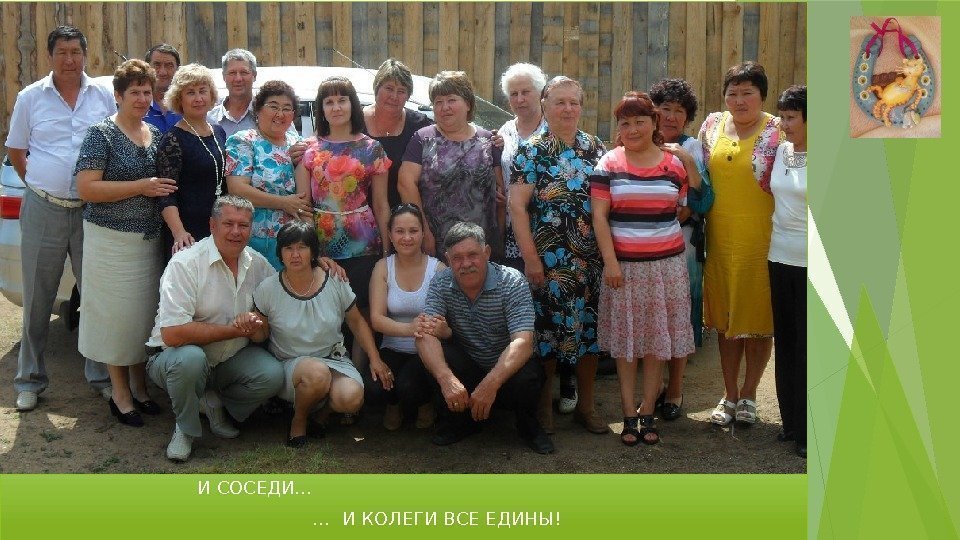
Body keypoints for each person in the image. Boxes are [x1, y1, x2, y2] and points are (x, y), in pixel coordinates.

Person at [6, 25, 115, 412]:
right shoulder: (30, 97)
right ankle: (29, 380)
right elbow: (17, 150)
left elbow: (116, 141)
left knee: (96, 297)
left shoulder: (103, 95)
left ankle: (101, 376)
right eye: (62, 53)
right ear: (50, 57)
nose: (70, 60)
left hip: (92, 212)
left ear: (85, 55)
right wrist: (41, 183)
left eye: (76, 52)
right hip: (44, 209)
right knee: (38, 298)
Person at [591, 91, 698, 445]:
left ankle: (648, 410)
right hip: (623, 270)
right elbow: (599, 218)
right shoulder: (608, 163)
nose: (633, 129)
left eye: (640, 121)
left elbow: (685, 207)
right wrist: (611, 263)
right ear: (618, 128)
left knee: (655, 343)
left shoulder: (674, 164)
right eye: (626, 123)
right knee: (626, 346)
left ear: (654, 123)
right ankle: (628, 413)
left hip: (667, 270)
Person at [145, 196, 283, 461]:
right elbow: (172, 334)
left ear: (251, 229)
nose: (236, 231)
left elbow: (271, 315)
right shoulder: (185, 263)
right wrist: (236, 330)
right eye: (228, 223)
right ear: (212, 225)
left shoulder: (259, 265)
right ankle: (185, 428)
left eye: (243, 225)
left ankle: (213, 404)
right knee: (190, 359)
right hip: (175, 358)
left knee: (272, 374)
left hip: (228, 359)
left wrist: (256, 324)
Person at [74, 59, 172, 427]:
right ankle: (121, 394)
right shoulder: (101, 134)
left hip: (147, 242)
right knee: (116, 320)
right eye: (135, 92)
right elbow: (87, 189)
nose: (143, 98)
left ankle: (140, 387)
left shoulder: (155, 134)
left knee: (142, 318)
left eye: (147, 92)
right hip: (110, 241)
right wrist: (140, 187)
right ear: (118, 95)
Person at [510, 76, 607, 436]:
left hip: (591, 261)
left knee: (589, 334)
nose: (567, 109)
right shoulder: (530, 151)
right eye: (559, 102)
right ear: (545, 106)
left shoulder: (595, 147)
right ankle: (543, 408)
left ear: (581, 107)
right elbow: (517, 208)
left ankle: (586, 406)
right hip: (549, 262)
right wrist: (531, 259)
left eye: (574, 102)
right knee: (547, 336)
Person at [415, 222, 553, 454]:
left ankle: (528, 426)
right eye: (457, 258)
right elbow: (424, 334)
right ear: (448, 259)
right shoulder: (440, 281)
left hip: (507, 369)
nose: (466, 264)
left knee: (529, 376)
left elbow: (523, 342)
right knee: (435, 355)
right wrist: (446, 379)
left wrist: (490, 385)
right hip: (469, 364)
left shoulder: (512, 281)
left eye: (473, 255)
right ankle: (462, 423)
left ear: (487, 252)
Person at [253, 221, 389, 447]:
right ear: (280, 253)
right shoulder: (268, 288)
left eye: (302, 247)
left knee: (351, 398)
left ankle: (321, 416)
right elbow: (260, 335)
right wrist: (250, 326)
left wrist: (375, 358)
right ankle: (299, 421)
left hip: (332, 358)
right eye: (288, 248)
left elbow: (356, 321)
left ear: (313, 251)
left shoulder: (334, 280)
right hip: (290, 364)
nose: (295, 255)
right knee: (316, 373)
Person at [697, 61, 781, 426]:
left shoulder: (778, 130)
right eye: (733, 93)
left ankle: (749, 394)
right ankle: (729, 394)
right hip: (719, 239)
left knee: (759, 320)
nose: (740, 100)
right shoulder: (711, 125)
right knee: (726, 322)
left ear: (763, 96)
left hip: (764, 240)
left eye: (748, 93)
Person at [295, 76, 391, 315]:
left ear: (353, 105)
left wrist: (387, 253)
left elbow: (381, 204)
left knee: (362, 310)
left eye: (342, 100)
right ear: (321, 109)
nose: (336, 107)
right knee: (326, 312)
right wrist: (312, 250)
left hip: (364, 244)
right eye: (329, 102)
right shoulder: (309, 149)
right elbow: (303, 205)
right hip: (322, 244)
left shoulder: (372, 148)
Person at [649, 78, 715, 421]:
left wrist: (686, 159)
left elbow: (704, 200)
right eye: (665, 109)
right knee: (651, 315)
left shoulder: (693, 147)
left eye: (679, 111)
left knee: (680, 316)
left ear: (687, 117)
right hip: (643, 245)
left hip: (683, 246)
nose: (671, 117)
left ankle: (674, 387)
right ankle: (653, 387)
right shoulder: (639, 141)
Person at [398, 71, 505, 260]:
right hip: (436, 243)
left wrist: (500, 237)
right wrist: (423, 231)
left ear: (468, 104)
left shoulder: (489, 140)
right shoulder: (423, 139)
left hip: (481, 245)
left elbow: (502, 193)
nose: (444, 107)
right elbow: (405, 184)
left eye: (451, 100)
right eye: (438, 102)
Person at [368, 203, 445, 430]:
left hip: (426, 350)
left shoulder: (438, 269)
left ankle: (425, 403)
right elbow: (377, 319)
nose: (407, 238)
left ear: (423, 233)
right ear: (390, 235)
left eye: (413, 231)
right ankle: (393, 404)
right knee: (373, 387)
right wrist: (410, 328)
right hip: (392, 347)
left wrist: (425, 330)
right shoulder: (383, 267)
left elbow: (443, 319)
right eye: (400, 231)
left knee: (409, 386)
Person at [225, 80, 310, 270]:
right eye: (273, 106)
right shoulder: (243, 141)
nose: (280, 114)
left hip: (293, 241)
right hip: (256, 240)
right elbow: (237, 189)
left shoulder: (297, 143)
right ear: (258, 110)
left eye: (287, 108)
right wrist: (283, 203)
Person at [769, 85, 807, 458]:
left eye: (792, 117)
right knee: (786, 341)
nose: (784, 124)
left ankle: (811, 428)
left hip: (814, 264)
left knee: (809, 346)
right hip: (778, 258)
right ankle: (791, 422)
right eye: (782, 116)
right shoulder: (781, 151)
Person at [156, 63, 227, 259]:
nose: (198, 98)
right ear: (179, 99)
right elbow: (166, 194)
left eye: (202, 91)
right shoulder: (172, 139)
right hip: (187, 232)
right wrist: (179, 232)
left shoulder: (218, 131)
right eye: (190, 93)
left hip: (219, 226)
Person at [362, 58, 434, 209]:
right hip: (360, 216)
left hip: (407, 216)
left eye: (401, 91)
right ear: (376, 88)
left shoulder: (420, 125)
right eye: (389, 88)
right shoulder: (353, 122)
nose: (394, 97)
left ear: (408, 96)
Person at [207, 49, 260, 137]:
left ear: (254, 76)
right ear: (224, 77)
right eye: (232, 73)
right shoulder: (209, 119)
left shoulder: (267, 116)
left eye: (244, 72)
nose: (238, 79)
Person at [143, 43, 182, 132]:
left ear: (178, 69)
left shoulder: (188, 105)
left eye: (169, 65)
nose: (162, 72)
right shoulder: (136, 104)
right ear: (146, 68)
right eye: (157, 65)